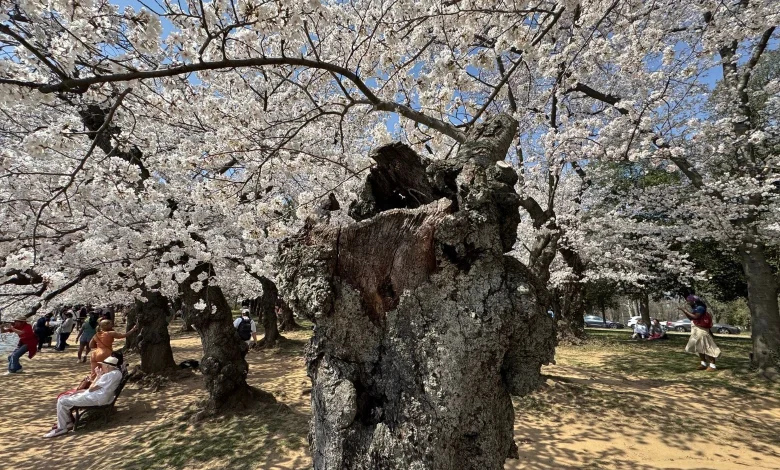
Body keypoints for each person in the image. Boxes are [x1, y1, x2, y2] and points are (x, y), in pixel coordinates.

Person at [44, 355, 124, 437]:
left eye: (103, 365)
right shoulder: (117, 373)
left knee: (62, 400)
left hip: (96, 398)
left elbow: (91, 389)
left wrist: (98, 376)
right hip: (102, 397)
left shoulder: (108, 375)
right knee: (66, 397)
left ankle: (62, 427)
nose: (101, 367)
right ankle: (67, 422)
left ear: (107, 366)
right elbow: (95, 388)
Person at [679, 295, 720, 371]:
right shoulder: (695, 308)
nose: (688, 302)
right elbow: (691, 318)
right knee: (699, 347)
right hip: (696, 330)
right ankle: (703, 364)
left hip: (702, 331)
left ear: (694, 301)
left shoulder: (700, 308)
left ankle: (712, 365)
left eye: (689, 301)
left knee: (707, 347)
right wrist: (685, 311)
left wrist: (685, 310)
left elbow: (696, 317)